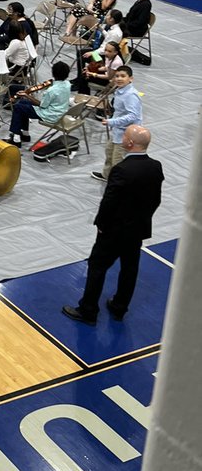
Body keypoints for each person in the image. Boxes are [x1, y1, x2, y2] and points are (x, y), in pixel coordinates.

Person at [62, 124, 163, 325]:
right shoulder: (155, 166)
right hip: (137, 229)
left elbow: (109, 201)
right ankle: (119, 306)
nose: (122, 138)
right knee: (130, 268)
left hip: (114, 230)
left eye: (124, 136)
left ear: (130, 143)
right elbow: (155, 200)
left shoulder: (122, 169)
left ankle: (88, 310)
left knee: (97, 266)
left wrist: (101, 224)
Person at [92, 65, 143, 181]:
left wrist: (112, 121)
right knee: (109, 153)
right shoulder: (120, 91)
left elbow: (133, 116)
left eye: (123, 76)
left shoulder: (131, 95)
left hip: (126, 134)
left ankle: (117, 184)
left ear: (131, 79)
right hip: (117, 130)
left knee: (118, 161)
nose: (119, 79)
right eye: (117, 76)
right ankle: (107, 176)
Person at [6, 60, 72, 146]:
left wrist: (26, 95)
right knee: (22, 103)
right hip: (60, 112)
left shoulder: (51, 90)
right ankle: (25, 134)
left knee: (18, 107)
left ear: (53, 73)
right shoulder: (68, 84)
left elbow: (42, 105)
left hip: (50, 115)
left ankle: (16, 139)